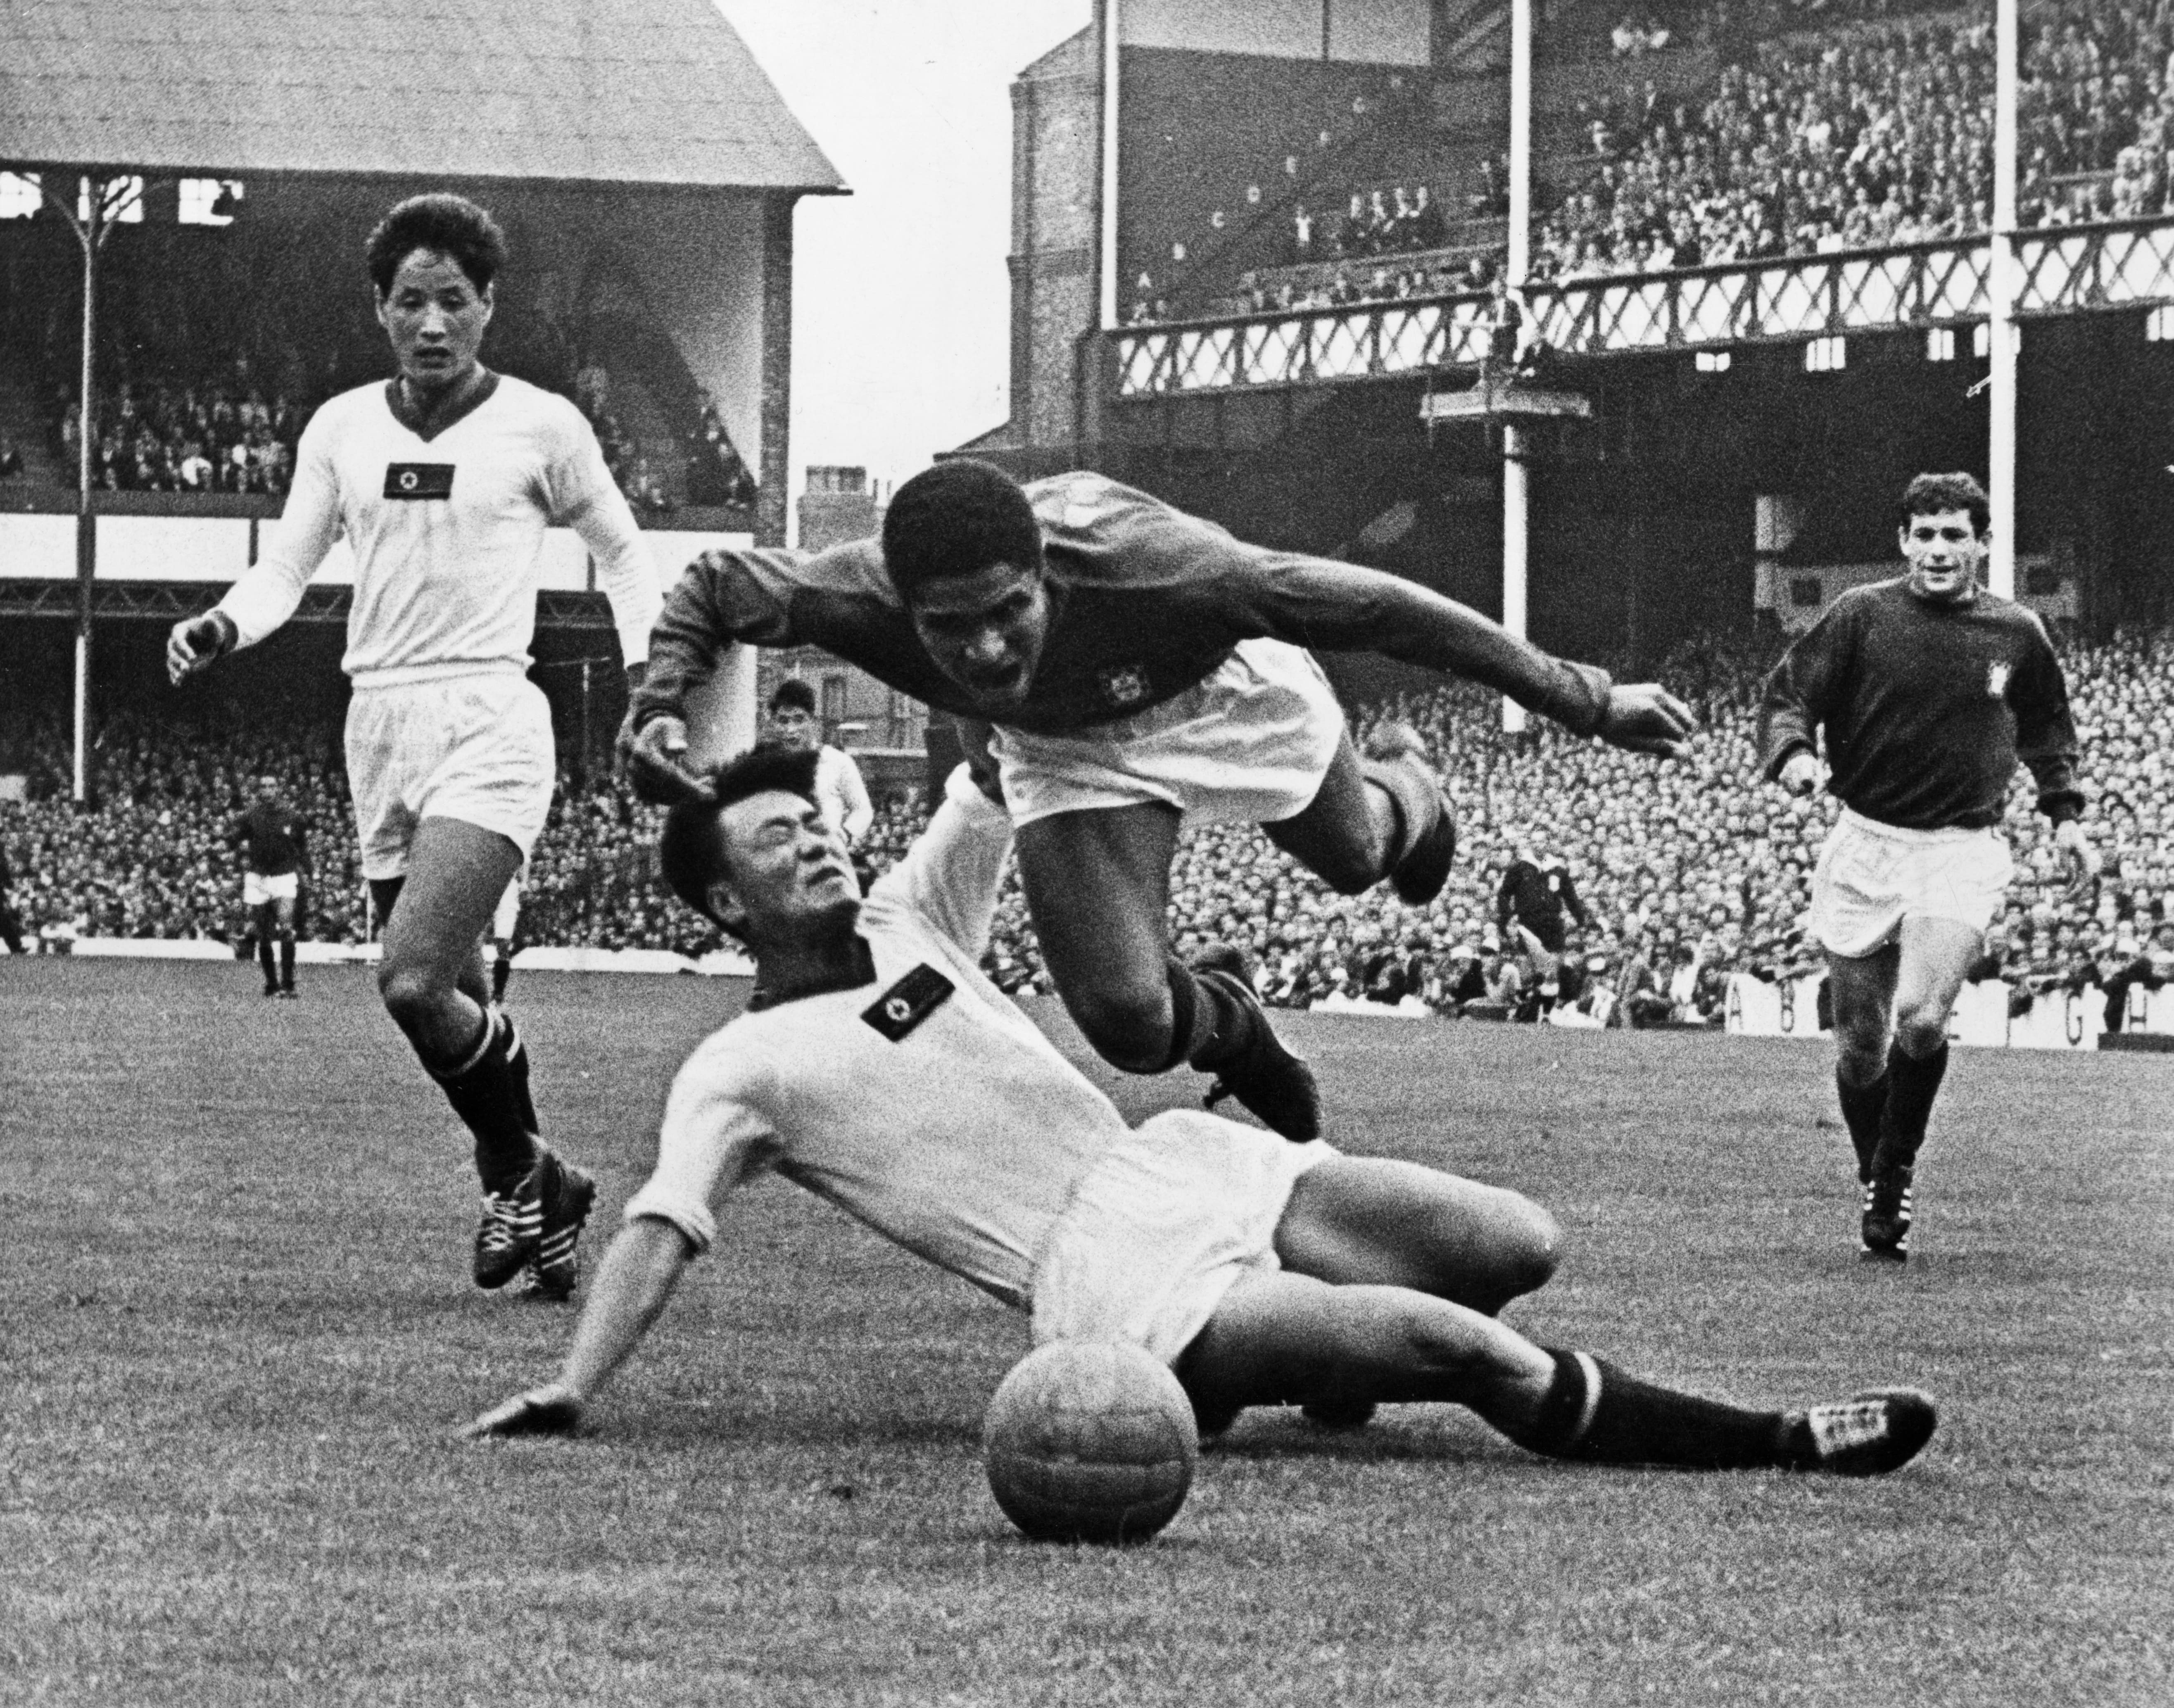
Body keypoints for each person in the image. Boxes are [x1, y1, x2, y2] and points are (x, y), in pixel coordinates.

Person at [465, 744, 1936, 1481]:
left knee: (1515, 1242)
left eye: (814, 821)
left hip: (1181, 1157)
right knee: (1460, 1345)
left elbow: (1000, 760)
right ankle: (1779, 1438)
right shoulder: (740, 1065)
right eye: (778, 841)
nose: (815, 844)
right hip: (1104, 1279)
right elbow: (664, 1220)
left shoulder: (916, 917)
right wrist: (579, 1383)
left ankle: (1295, 1358)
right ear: (727, 898)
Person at [622, 459, 1696, 1144]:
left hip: (1216, 694)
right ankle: (1241, 1035)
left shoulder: (1173, 576)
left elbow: (1387, 609)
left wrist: (1585, 698)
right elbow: (715, 584)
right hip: (1067, 748)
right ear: (905, 608)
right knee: (1129, 1026)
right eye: (952, 627)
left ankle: (1406, 787)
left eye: (1009, 611)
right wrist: (661, 698)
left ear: (1046, 574)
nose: (986, 645)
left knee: (1356, 858)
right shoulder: (853, 597)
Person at [164, 193, 664, 1298]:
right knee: (457, 987)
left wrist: (649, 684)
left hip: (488, 715)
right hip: (376, 722)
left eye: (453, 300)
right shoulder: (341, 426)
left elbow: (627, 557)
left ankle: (522, 1173)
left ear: (488, 306)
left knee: (411, 978)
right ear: (378, 310)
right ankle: (540, 1184)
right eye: (409, 302)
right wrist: (219, 623)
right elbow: (286, 570)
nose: (431, 322)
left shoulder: (543, 424)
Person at [1759, 472, 2093, 1262]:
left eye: (1955, 535)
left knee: (1919, 1017)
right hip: (1864, 842)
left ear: (1980, 541)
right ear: (1903, 541)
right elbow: (1787, 696)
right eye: (1925, 535)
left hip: (1958, 848)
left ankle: (1894, 1172)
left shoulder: (2015, 632)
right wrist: (1795, 756)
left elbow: (2049, 727)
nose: (1939, 550)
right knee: (1859, 1046)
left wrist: (2066, 818)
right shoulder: (1859, 616)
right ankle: (1875, 1170)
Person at [764, 677, 872, 847]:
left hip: (824, 857)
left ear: (813, 721)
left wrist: (843, 836)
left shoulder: (838, 762)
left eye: (799, 720)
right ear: (774, 723)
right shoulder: (764, 766)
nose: (791, 730)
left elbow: (863, 810)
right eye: (783, 721)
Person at [230, 774, 306, 998]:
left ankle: (289, 984)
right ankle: (272, 984)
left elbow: (302, 847)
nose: (268, 790)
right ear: (259, 791)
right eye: (263, 786)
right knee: (263, 934)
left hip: (283, 877)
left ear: (279, 789)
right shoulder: (250, 816)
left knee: (286, 928)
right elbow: (235, 840)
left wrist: (306, 872)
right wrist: (241, 857)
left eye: (272, 786)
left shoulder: (293, 816)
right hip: (258, 878)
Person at [1497, 846, 1590, 983]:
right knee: (1528, 968)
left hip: (1552, 924)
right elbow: (1504, 893)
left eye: (1542, 841)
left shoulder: (1558, 870)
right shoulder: (1520, 869)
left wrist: (1581, 921)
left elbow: (1571, 898)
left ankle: (1552, 995)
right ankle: (1530, 995)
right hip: (1528, 924)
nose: (1539, 845)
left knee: (1553, 966)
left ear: (1547, 843)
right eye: (1536, 841)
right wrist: (1508, 916)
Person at [489, 875, 521, 1007]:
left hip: (507, 899)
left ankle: (498, 993)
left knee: (503, 947)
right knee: (499, 948)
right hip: (492, 892)